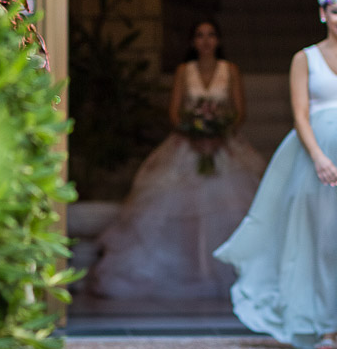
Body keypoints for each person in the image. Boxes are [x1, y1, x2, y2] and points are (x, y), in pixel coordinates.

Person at [214, 0, 337, 349]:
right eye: (336, 12)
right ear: (323, 14)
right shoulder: (305, 58)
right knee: (325, 242)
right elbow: (299, 115)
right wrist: (318, 157)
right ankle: (326, 326)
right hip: (318, 162)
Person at [88, 20, 265, 301]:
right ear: (193, 42)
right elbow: (174, 111)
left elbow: (238, 111)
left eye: (210, 35)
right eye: (199, 35)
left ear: (218, 40)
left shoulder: (230, 70)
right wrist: (195, 130)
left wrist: (219, 132)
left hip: (224, 145)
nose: (205, 41)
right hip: (188, 144)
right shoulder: (184, 71)